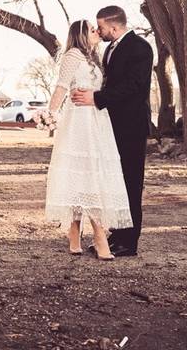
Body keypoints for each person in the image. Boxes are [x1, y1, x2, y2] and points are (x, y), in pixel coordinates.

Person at [43, 19, 133, 260]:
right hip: (78, 122)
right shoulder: (72, 55)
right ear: (81, 35)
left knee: (92, 173)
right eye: (92, 30)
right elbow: (61, 87)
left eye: (97, 28)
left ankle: (77, 230)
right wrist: (49, 114)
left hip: (97, 121)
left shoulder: (96, 57)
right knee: (83, 173)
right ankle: (95, 234)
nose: (97, 32)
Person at [71, 5, 153, 257]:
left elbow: (134, 86)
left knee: (130, 182)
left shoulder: (140, 48)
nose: (99, 31)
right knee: (114, 183)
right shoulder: (109, 49)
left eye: (102, 27)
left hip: (131, 126)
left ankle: (128, 242)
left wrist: (97, 98)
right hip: (110, 127)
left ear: (114, 26)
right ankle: (115, 234)